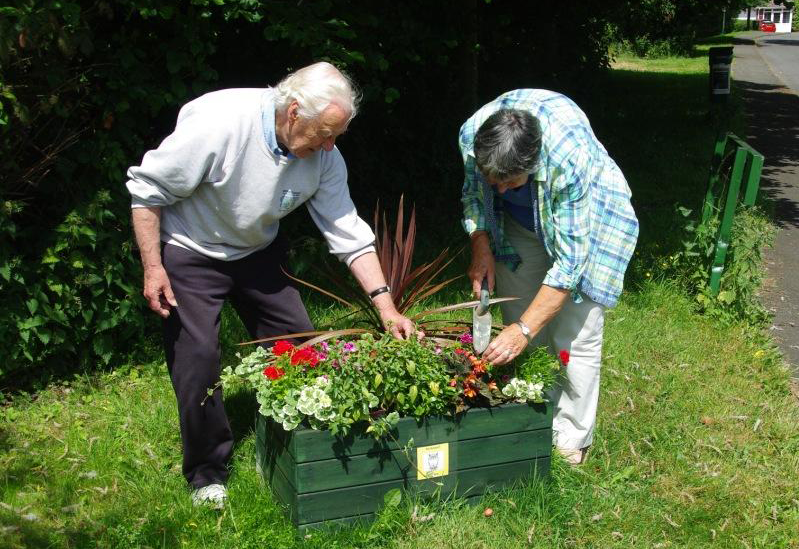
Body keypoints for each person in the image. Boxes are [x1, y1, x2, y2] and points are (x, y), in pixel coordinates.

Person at [126, 62, 415, 508]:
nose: (330, 146)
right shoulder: (222, 125)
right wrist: (153, 266)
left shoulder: (323, 157)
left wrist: (385, 306)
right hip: (190, 248)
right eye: (325, 133)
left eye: (337, 136)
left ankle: (302, 442)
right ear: (294, 111)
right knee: (198, 359)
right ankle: (207, 474)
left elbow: (346, 230)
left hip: (256, 251)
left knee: (299, 343)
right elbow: (147, 190)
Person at [459, 89, 639, 465]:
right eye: (495, 181)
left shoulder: (566, 162)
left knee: (577, 329)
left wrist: (523, 330)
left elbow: (571, 264)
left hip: (588, 216)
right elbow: (474, 193)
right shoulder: (471, 137)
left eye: (511, 183)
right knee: (519, 312)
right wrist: (481, 244)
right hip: (521, 227)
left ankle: (571, 437)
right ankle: (531, 410)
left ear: (534, 163)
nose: (501, 191)